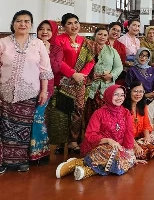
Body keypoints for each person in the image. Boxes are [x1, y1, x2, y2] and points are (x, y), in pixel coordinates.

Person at [0, 11, 52, 174]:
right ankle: (3, 161)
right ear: (13, 23)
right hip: (5, 92)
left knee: (24, 127)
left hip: (29, 93)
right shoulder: (3, 43)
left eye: (27, 21)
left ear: (31, 25)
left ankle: (21, 162)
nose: (23, 24)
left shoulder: (38, 44)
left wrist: (44, 91)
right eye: (19, 21)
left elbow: (45, 70)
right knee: (4, 127)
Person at [55, 85, 138, 181]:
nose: (119, 98)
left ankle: (87, 170)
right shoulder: (99, 113)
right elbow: (90, 135)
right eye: (116, 95)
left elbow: (129, 134)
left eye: (122, 95)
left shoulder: (126, 113)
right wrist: (108, 140)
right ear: (109, 95)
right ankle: (78, 163)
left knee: (128, 158)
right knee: (113, 154)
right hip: (99, 146)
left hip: (118, 148)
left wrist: (129, 153)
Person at [55, 13, 95, 153]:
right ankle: (61, 142)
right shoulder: (58, 40)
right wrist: (73, 74)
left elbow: (91, 60)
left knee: (77, 111)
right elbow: (57, 61)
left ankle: (73, 141)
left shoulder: (85, 41)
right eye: (70, 23)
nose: (74, 26)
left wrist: (82, 75)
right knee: (63, 111)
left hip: (80, 82)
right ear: (63, 26)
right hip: (64, 81)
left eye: (76, 22)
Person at [30, 20, 62, 164]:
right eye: (41, 29)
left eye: (48, 29)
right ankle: (28, 152)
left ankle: (41, 153)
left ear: (53, 31)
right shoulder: (31, 45)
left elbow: (55, 69)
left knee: (37, 117)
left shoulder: (57, 48)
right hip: (29, 86)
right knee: (28, 119)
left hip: (46, 88)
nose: (44, 32)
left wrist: (47, 51)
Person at [83, 27, 123, 130]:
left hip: (106, 88)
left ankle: (104, 137)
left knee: (105, 115)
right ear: (95, 35)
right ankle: (90, 138)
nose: (102, 37)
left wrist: (111, 75)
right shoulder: (87, 49)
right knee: (89, 115)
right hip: (90, 87)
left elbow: (119, 67)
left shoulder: (112, 51)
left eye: (105, 35)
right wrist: (90, 75)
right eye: (100, 34)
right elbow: (81, 65)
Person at [124, 82, 154, 160]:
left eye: (141, 91)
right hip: (128, 139)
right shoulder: (124, 109)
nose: (138, 94)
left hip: (139, 138)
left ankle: (153, 150)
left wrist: (147, 136)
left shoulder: (143, 106)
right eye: (135, 91)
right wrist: (136, 145)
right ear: (129, 92)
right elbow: (126, 131)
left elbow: (146, 125)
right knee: (133, 151)